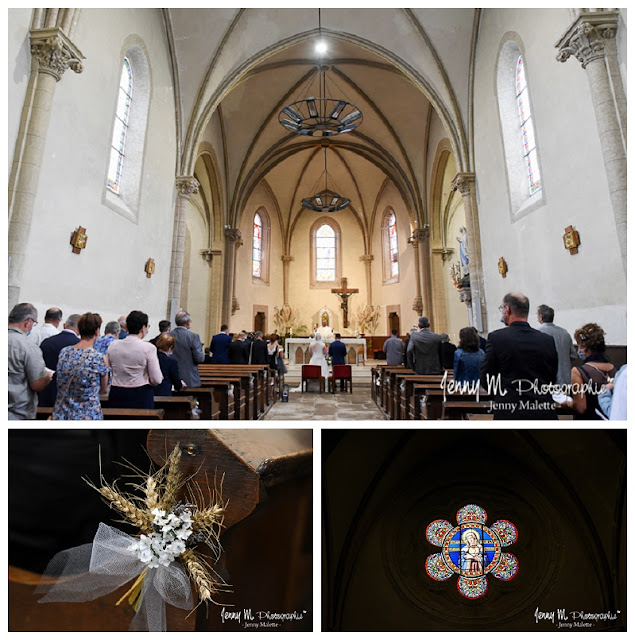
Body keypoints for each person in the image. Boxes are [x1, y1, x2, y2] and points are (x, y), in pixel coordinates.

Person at [480, 292, 558, 419]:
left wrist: (503, 396)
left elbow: (487, 378)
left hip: (510, 411)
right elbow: (552, 377)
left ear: (507, 309)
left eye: (501, 309)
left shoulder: (496, 338)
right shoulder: (547, 340)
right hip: (543, 411)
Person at [51, 312, 110, 420]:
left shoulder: (64, 352)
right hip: (87, 414)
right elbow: (104, 389)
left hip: (62, 413)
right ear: (97, 331)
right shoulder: (99, 358)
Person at [108, 310, 163, 408]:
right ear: (143, 328)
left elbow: (108, 370)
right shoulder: (148, 348)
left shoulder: (113, 345)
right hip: (140, 394)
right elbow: (156, 379)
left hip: (117, 393)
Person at [565, 323, 617, 420]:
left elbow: (580, 407)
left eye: (579, 345)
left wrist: (568, 403)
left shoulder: (578, 372)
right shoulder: (614, 369)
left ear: (584, 347)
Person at [8, 303, 52, 419]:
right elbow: (37, 384)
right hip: (15, 413)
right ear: (28, 322)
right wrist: (47, 377)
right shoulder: (28, 346)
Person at [38, 313, 81, 407]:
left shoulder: (47, 342)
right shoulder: (79, 346)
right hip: (67, 395)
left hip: (45, 390)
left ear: (65, 325)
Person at [536, 304, 576, 385]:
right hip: (566, 380)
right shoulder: (564, 333)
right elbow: (573, 355)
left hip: (547, 381)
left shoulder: (537, 334)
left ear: (540, 317)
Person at [170, 311, 205, 387]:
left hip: (171, 378)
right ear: (188, 322)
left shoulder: (168, 336)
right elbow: (199, 358)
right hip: (189, 378)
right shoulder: (193, 337)